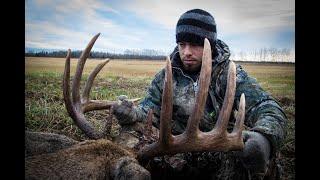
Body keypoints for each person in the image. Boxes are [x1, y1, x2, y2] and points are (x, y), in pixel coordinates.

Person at [112, 9, 287, 180]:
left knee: (258, 158)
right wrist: (133, 113)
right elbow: (150, 112)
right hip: (174, 152)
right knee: (129, 135)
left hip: (218, 151)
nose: (186, 52)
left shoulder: (230, 74)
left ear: (209, 44)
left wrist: (264, 137)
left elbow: (268, 108)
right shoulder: (165, 76)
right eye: (182, 44)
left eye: (195, 44)